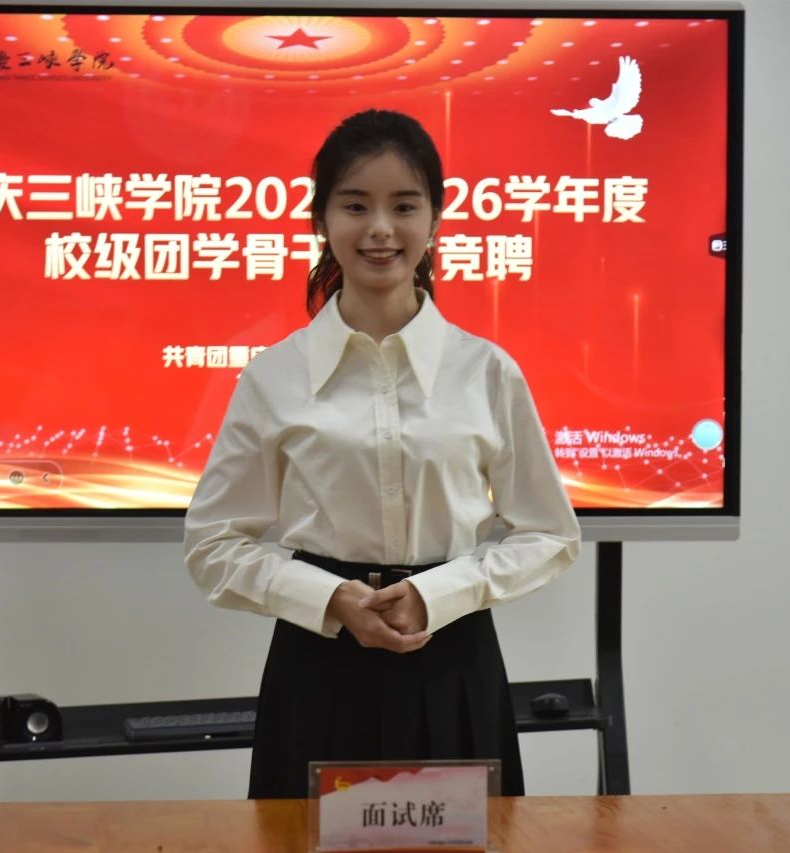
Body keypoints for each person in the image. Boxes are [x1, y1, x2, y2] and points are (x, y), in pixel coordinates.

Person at [184, 109, 580, 799]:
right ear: (320, 218)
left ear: (435, 219)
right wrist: (329, 596)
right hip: (318, 664)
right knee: (301, 844)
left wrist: (439, 593)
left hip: (452, 657)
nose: (380, 229)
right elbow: (212, 544)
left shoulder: (486, 371)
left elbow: (550, 533)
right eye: (355, 205)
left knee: (463, 845)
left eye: (404, 205)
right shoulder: (274, 376)